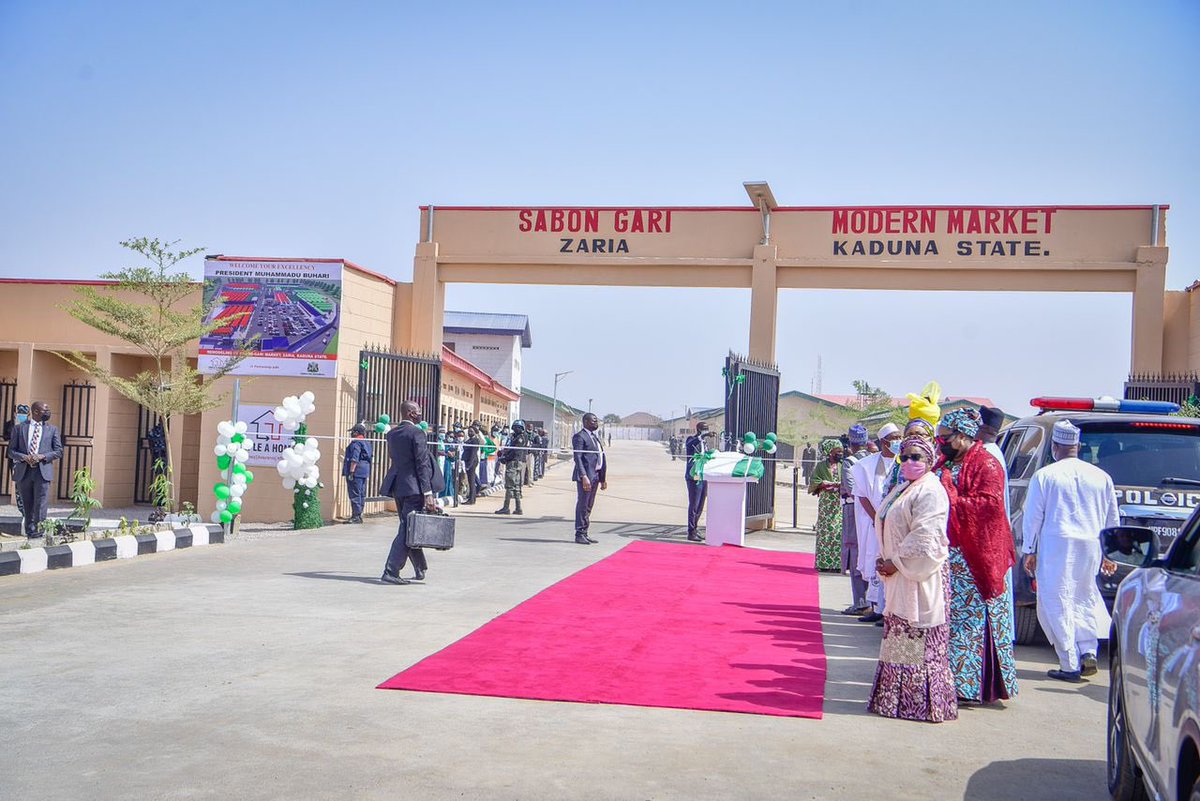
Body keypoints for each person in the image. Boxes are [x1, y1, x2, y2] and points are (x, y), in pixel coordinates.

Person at [867, 435, 957, 723]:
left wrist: (896, 562)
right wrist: (888, 561)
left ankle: (919, 705)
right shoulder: (904, 487)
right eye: (904, 457)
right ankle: (896, 701)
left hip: (920, 574)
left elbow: (926, 536)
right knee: (900, 637)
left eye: (916, 457)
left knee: (918, 639)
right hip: (900, 574)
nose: (909, 462)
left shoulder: (930, 490)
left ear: (930, 460)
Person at [1021, 420, 1119, 682]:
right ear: (1078, 446)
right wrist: (1110, 553)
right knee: (1084, 596)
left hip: (1057, 545)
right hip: (1091, 545)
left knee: (1057, 600)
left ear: (1055, 447)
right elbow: (1112, 518)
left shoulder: (1046, 475)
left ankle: (1069, 663)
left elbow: (1033, 516)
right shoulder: (1102, 477)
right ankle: (1088, 650)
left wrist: (1029, 549)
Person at [936, 408, 1018, 704]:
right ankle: (948, 680)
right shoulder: (945, 461)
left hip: (976, 557)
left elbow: (989, 507)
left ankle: (969, 686)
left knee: (971, 623)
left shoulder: (987, 464)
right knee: (949, 620)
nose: (939, 441)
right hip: (948, 554)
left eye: (944, 437)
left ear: (961, 436)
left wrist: (951, 498)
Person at [380, 401, 438, 584]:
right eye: (419, 411)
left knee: (409, 526)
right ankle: (391, 571)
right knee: (407, 529)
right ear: (412, 413)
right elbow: (422, 464)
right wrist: (428, 493)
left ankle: (420, 567)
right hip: (414, 489)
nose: (421, 414)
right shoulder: (417, 433)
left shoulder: (392, 433)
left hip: (399, 486)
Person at [851, 423, 903, 620]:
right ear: (883, 442)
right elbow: (862, 495)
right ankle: (876, 607)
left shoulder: (903, 463)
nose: (898, 441)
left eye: (899, 437)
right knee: (875, 559)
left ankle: (888, 609)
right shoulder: (866, 465)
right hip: (875, 523)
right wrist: (877, 519)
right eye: (894, 437)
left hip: (897, 525)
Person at [8, 400, 63, 539]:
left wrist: (42, 456)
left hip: (42, 472)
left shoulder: (52, 430)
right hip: (24, 472)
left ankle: (39, 531)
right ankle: (30, 532)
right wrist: (24, 457)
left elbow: (58, 451)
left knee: (41, 503)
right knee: (27, 503)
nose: (48, 412)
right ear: (36, 412)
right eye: (45, 410)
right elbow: (11, 451)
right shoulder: (20, 428)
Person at [840, 425, 872, 616]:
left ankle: (860, 602)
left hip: (854, 509)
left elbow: (851, 488)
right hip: (873, 509)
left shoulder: (849, 462)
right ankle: (871, 600)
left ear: (851, 442)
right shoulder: (873, 459)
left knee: (854, 551)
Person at [808, 439, 844, 572]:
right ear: (830, 452)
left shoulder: (843, 465)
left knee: (837, 532)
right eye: (837, 451)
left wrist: (838, 485)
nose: (840, 453)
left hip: (839, 502)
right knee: (825, 531)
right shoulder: (821, 466)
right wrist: (824, 484)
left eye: (841, 451)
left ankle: (836, 564)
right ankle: (823, 563)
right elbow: (814, 481)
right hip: (826, 502)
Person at [571, 412, 607, 545]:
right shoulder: (580, 437)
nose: (596, 423)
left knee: (589, 505)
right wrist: (583, 476)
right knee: (583, 504)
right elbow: (578, 458)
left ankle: (585, 532)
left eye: (596, 421)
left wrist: (603, 478)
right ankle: (579, 533)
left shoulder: (595, 437)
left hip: (596, 476)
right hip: (586, 476)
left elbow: (601, 457)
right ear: (586, 422)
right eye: (594, 421)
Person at [494, 421, 530, 515]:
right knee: (516, 486)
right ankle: (518, 508)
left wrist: (505, 458)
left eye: (516, 428)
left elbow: (515, 452)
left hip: (513, 463)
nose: (514, 429)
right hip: (516, 462)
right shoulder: (515, 437)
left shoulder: (520, 439)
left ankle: (506, 507)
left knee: (510, 486)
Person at [683, 422, 710, 542]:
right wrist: (702, 437)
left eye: (707, 429)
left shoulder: (704, 443)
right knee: (694, 504)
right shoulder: (692, 439)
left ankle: (695, 528)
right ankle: (691, 531)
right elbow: (691, 444)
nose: (706, 430)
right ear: (698, 429)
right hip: (694, 475)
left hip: (703, 475)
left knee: (700, 504)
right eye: (704, 429)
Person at [3, 404, 30, 521]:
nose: (21, 416)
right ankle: (22, 509)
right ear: (15, 413)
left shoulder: (30, 426)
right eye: (19, 413)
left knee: (26, 484)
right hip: (13, 458)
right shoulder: (10, 424)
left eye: (24, 414)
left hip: (25, 460)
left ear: (28, 415)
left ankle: (27, 510)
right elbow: (5, 436)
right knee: (17, 483)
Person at [342, 424, 372, 523]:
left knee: (354, 494)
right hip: (364, 471)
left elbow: (354, 458)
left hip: (356, 471)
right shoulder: (367, 443)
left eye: (352, 431)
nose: (351, 433)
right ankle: (358, 515)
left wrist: (351, 472)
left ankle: (356, 516)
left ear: (356, 432)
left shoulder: (356, 443)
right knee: (361, 494)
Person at [461, 424, 482, 504]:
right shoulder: (469, 440)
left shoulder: (475, 440)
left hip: (472, 462)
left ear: (475, 432)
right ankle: (471, 498)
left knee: (471, 481)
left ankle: (472, 499)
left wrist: (469, 465)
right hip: (468, 462)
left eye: (471, 431)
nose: (470, 432)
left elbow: (473, 454)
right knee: (471, 480)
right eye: (469, 431)